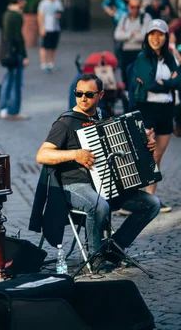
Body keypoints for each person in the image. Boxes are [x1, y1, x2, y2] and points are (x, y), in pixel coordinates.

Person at [36, 73, 161, 267]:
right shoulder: (66, 123)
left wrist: (145, 143)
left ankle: (113, 249)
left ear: (100, 95)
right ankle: (95, 257)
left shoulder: (103, 116)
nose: (83, 98)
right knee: (99, 206)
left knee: (152, 204)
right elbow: (42, 155)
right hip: (75, 184)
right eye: (78, 93)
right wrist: (75, 154)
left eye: (88, 94)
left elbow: (122, 148)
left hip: (106, 182)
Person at [131, 19, 181, 213]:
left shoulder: (170, 58)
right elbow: (149, 85)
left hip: (166, 111)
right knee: (146, 155)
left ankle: (151, 199)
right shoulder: (143, 57)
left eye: (160, 34)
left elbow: (179, 83)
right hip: (147, 109)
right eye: (152, 34)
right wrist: (169, 82)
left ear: (165, 37)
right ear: (147, 36)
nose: (156, 38)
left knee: (158, 156)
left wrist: (162, 82)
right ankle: (134, 198)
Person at [0, 0, 29, 120]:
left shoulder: (6, 14)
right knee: (16, 82)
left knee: (8, 80)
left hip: (6, 50)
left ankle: (3, 108)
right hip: (14, 51)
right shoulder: (16, 16)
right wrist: (24, 54)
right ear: (19, 1)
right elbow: (18, 37)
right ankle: (13, 111)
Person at [114, 0, 151, 87]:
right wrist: (131, 34)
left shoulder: (145, 17)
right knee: (126, 79)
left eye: (137, 7)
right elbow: (117, 35)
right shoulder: (124, 18)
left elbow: (143, 36)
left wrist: (125, 34)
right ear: (128, 6)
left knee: (140, 79)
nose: (135, 9)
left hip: (140, 52)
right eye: (132, 7)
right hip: (126, 53)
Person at [37, 0, 64, 72]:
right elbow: (40, 16)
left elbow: (60, 13)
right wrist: (41, 27)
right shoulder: (43, 3)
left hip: (55, 27)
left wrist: (59, 16)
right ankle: (43, 63)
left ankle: (51, 63)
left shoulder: (58, 3)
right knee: (45, 46)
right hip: (47, 27)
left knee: (53, 46)